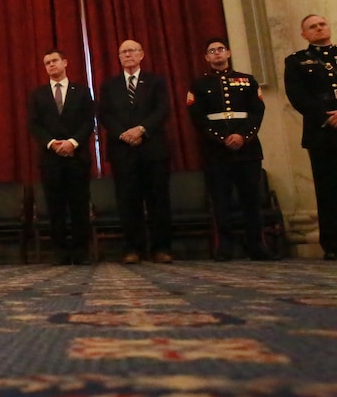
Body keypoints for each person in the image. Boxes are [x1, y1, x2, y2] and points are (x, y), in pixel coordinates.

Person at [186, 38, 275, 261]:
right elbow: (198, 117)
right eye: (211, 51)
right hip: (217, 150)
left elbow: (257, 111)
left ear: (228, 53)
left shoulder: (247, 80)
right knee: (220, 200)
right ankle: (225, 246)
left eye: (220, 50)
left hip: (247, 149)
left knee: (251, 198)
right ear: (206, 57)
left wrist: (242, 136)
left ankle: (256, 244)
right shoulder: (199, 85)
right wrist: (222, 137)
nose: (217, 54)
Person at [98, 40, 174, 264]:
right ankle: (133, 248)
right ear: (119, 57)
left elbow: (162, 110)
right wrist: (124, 133)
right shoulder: (109, 85)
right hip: (123, 151)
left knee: (158, 200)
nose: (128, 55)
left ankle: (161, 248)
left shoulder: (155, 81)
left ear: (141, 55)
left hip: (153, 149)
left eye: (132, 51)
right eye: (123, 52)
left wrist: (141, 129)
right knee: (127, 201)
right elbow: (105, 115)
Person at [27, 50, 95, 265]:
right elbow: (34, 124)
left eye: (55, 61)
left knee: (79, 205)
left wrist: (72, 143)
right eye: (47, 63)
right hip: (51, 158)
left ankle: (80, 252)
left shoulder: (82, 91)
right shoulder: (38, 94)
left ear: (65, 62)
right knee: (55, 206)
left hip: (77, 156)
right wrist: (52, 144)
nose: (51, 65)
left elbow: (88, 121)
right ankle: (60, 252)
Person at [284, 14, 337, 260]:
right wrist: (328, 117)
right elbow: (298, 97)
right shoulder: (297, 62)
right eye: (312, 27)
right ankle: (333, 243)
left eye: (321, 24)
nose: (318, 28)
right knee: (328, 190)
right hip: (323, 132)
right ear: (304, 35)